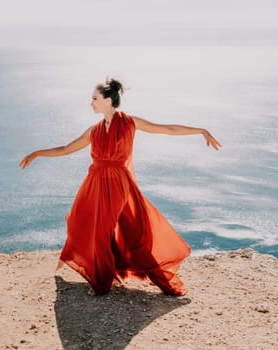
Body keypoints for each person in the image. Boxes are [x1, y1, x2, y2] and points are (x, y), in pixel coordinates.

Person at [19, 77, 221, 296]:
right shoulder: (93, 131)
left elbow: (167, 129)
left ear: (107, 99)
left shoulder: (130, 123)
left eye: (94, 99)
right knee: (82, 221)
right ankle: (104, 273)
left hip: (118, 183)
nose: (91, 103)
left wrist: (200, 130)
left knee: (104, 230)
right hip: (94, 182)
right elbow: (66, 149)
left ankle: (102, 282)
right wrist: (37, 153)